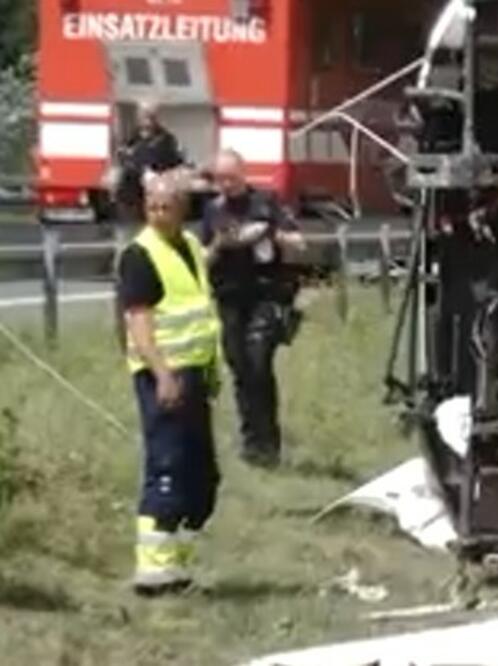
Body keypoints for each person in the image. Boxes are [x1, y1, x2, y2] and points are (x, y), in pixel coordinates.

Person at [118, 174, 221, 596]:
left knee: (202, 477)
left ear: (182, 207)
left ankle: (179, 566)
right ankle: (152, 571)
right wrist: (162, 373)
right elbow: (140, 323)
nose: (159, 213)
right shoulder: (140, 254)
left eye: (166, 205)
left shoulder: (192, 247)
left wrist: (210, 372)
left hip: (194, 372)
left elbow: (198, 312)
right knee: (168, 467)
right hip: (163, 375)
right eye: (153, 205)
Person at [202, 149, 305, 468]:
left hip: (265, 294)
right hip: (230, 296)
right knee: (240, 367)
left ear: (243, 174)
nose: (227, 184)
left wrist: (272, 234)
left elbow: (299, 241)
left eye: (231, 177)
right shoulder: (213, 210)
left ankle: (268, 443)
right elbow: (202, 258)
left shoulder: (266, 202)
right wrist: (221, 244)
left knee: (259, 362)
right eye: (221, 179)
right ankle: (252, 443)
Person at [114, 100, 186, 222]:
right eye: (143, 114)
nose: (147, 118)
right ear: (138, 116)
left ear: (157, 116)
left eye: (151, 114)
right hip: (129, 198)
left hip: (155, 199)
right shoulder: (131, 138)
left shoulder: (167, 140)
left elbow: (176, 167)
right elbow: (123, 159)